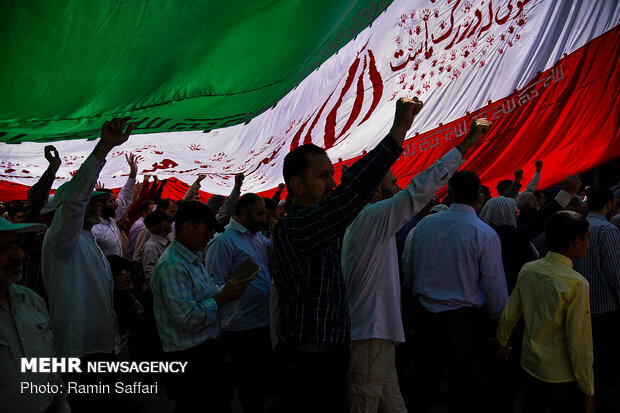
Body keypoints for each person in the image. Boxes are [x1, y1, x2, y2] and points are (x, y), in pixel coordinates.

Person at [270, 97, 422, 413]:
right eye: (323, 176)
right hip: (312, 364)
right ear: (297, 185)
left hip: (328, 357)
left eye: (332, 174)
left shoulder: (319, 228)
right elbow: (348, 195)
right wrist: (397, 131)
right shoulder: (295, 228)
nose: (332, 183)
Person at [342, 114, 491, 413]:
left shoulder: (365, 223)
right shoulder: (371, 218)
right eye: (392, 182)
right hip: (370, 335)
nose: (398, 187)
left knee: (393, 405)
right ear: (374, 190)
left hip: (376, 336)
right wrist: (466, 145)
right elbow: (419, 189)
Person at [406, 169, 509, 413]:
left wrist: (412, 297)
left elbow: (409, 266)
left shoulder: (424, 226)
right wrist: (501, 325)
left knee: (424, 378)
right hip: (463, 321)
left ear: (449, 195)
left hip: (427, 315)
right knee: (463, 385)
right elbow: (495, 286)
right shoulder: (483, 233)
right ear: (479, 198)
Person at [151, 201, 250, 412]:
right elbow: (187, 318)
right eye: (207, 230)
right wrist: (221, 298)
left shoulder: (192, 259)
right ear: (188, 227)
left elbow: (205, 294)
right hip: (188, 360)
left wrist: (226, 291)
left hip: (204, 355)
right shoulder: (172, 266)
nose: (210, 236)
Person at [497, 211, 594, 413]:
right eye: (587, 237)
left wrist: (502, 341)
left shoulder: (529, 269)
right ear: (577, 241)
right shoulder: (577, 283)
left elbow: (509, 315)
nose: (587, 242)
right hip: (561, 376)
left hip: (530, 365)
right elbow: (579, 344)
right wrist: (587, 389)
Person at [205, 193, 272, 413]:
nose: (264, 218)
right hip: (240, 327)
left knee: (256, 382)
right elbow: (214, 283)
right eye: (260, 214)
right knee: (243, 384)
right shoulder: (223, 241)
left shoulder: (256, 236)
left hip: (262, 322)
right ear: (244, 213)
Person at [0, 217, 70, 413]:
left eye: (16, 244)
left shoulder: (32, 301)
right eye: (4, 248)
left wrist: (62, 403)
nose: (20, 254)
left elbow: (49, 364)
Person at [573, 187, 620, 412]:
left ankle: (589, 396)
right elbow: (614, 272)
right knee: (602, 358)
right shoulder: (607, 229)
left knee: (586, 357)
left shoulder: (577, 226)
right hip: (604, 306)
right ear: (609, 204)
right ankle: (595, 398)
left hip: (579, 305)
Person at [91, 153, 138, 256]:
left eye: (115, 201)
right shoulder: (95, 229)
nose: (116, 204)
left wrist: (133, 173)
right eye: (112, 202)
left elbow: (125, 196)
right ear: (100, 205)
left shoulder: (112, 221)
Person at [141, 209, 173, 293]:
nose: (171, 224)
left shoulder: (169, 241)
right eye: (168, 222)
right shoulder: (151, 247)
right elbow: (149, 273)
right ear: (162, 226)